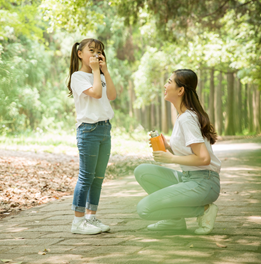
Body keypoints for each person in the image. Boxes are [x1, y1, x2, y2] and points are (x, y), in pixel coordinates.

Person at [134, 69, 221, 235]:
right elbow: (191, 151)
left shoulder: (187, 118)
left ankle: (203, 210)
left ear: (180, 90)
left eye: (169, 82)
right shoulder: (183, 116)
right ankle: (174, 221)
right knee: (142, 172)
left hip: (204, 183)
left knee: (144, 209)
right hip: (189, 178)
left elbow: (204, 158)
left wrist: (172, 158)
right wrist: (168, 146)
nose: (165, 85)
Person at [67, 38, 117, 235]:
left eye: (99, 51)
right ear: (80, 53)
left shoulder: (100, 75)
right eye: (92, 50)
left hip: (105, 129)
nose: (96, 54)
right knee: (86, 176)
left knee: (98, 177)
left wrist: (105, 71)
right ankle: (77, 222)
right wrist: (97, 71)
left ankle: (90, 217)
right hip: (88, 130)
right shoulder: (78, 76)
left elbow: (111, 95)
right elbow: (96, 94)